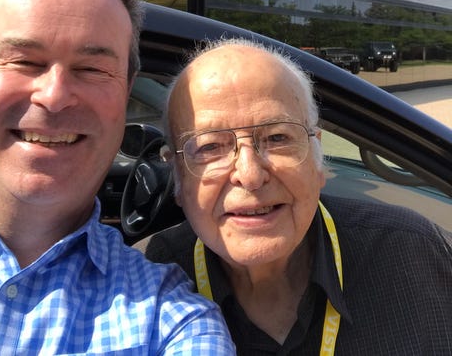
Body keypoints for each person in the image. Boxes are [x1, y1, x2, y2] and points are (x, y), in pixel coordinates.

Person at [0, 0, 235, 354]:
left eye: (92, 68)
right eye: (24, 61)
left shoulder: (169, 321)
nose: (54, 95)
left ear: (127, 91)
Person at [136, 39, 452, 355]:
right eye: (209, 147)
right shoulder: (142, 284)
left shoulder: (414, 253)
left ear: (317, 159)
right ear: (177, 177)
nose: (249, 174)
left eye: (277, 137)